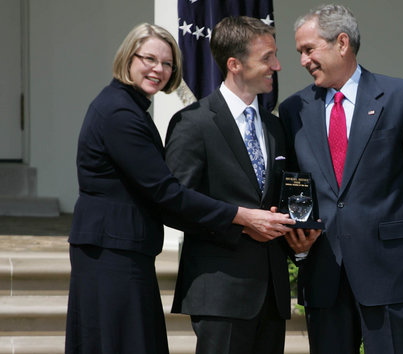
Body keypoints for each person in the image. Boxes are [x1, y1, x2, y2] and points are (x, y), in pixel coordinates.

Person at [65, 22, 294, 354]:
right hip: (111, 252)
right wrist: (242, 217)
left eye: (168, 63)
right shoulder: (120, 112)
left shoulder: (131, 109)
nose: (159, 69)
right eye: (150, 59)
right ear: (128, 57)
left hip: (127, 250)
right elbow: (167, 193)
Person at [278, 4, 403, 353]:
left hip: (390, 275)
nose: (303, 60)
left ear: (342, 43)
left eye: (308, 49)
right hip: (324, 277)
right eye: (300, 52)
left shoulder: (402, 99)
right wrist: (297, 247)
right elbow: (293, 188)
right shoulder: (293, 110)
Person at [165, 16, 320, 354]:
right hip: (220, 294)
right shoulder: (192, 124)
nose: (277, 66)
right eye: (267, 57)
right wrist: (241, 220)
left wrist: (299, 238)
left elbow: (281, 200)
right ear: (234, 64)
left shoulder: (275, 127)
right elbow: (175, 204)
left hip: (272, 294)